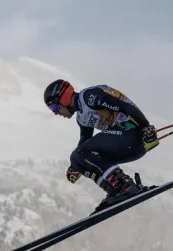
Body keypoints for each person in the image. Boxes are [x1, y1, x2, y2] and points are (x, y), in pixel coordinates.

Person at [43, 79, 160, 213]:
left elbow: (124, 106)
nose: (55, 113)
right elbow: (85, 141)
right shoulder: (81, 117)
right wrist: (76, 166)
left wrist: (147, 128)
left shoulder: (88, 97)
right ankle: (115, 190)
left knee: (79, 154)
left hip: (135, 132)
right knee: (76, 158)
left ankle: (124, 185)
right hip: (127, 143)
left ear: (62, 97)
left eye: (53, 107)